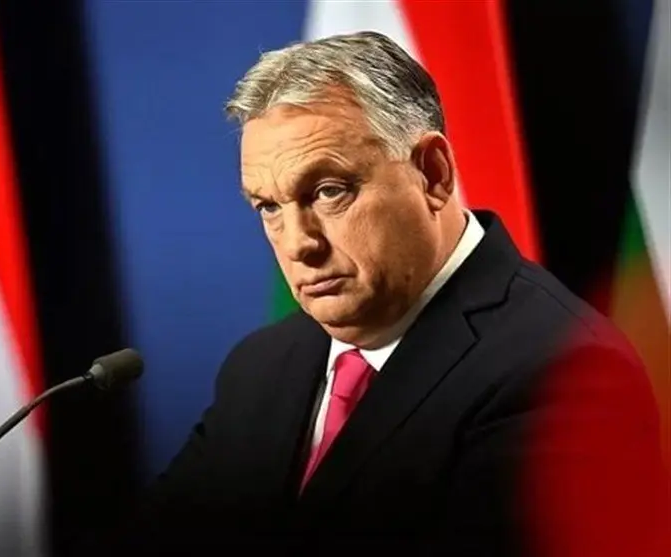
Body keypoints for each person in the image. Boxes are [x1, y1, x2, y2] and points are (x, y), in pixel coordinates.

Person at [134, 31, 667, 555]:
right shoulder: (261, 367)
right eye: (269, 207)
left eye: (328, 191)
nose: (298, 244)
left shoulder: (566, 373)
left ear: (432, 174)